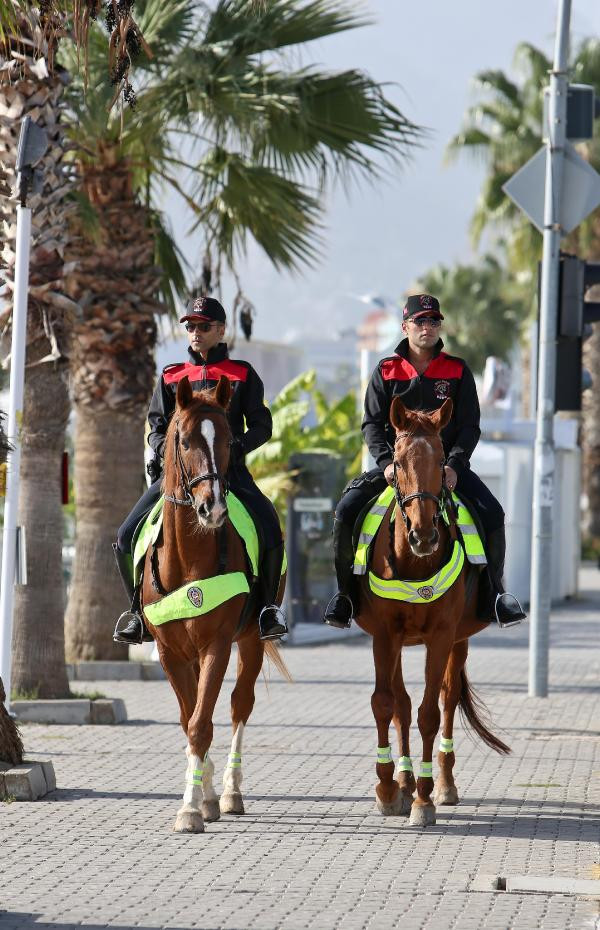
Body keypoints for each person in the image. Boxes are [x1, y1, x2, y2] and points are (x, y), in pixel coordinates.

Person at [323, 293, 526, 630]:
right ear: (405, 326)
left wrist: (454, 467)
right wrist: (387, 463)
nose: (427, 327)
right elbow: (371, 425)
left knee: (493, 514)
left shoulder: (457, 370)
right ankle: (345, 596)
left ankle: (495, 595)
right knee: (346, 512)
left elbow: (470, 426)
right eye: (420, 321)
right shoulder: (385, 371)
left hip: (447, 471)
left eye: (434, 321)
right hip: (395, 470)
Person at [113, 295, 288, 644]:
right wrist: (167, 451)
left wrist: (236, 447)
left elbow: (261, 425)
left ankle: (267, 610)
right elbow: (156, 426)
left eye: (203, 326)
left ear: (221, 330)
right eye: (190, 326)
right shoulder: (171, 376)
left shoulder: (242, 374)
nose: (195, 332)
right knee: (124, 535)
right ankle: (137, 611)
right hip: (177, 479)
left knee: (270, 529)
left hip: (231, 475)